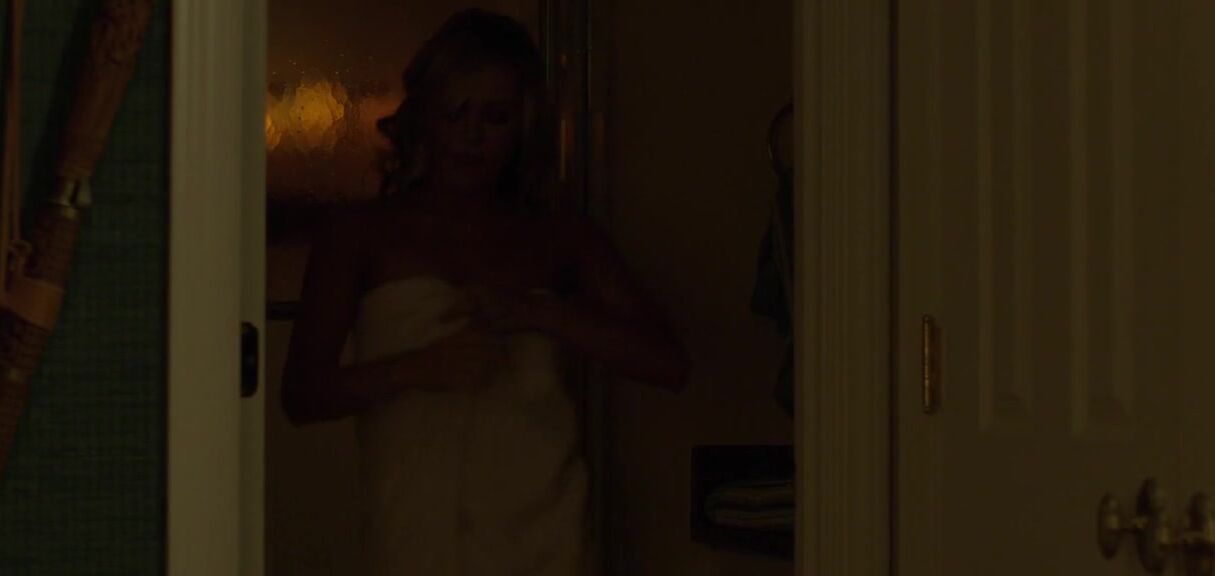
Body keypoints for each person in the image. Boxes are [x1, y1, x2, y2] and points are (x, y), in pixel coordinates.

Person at [280, 8, 688, 575]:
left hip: (546, 538)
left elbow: (667, 362)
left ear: (523, 125)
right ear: (426, 115)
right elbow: (302, 395)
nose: (472, 135)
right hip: (416, 538)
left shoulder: (557, 235)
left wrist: (541, 314)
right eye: (456, 112)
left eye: (495, 116)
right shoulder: (361, 234)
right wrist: (417, 368)